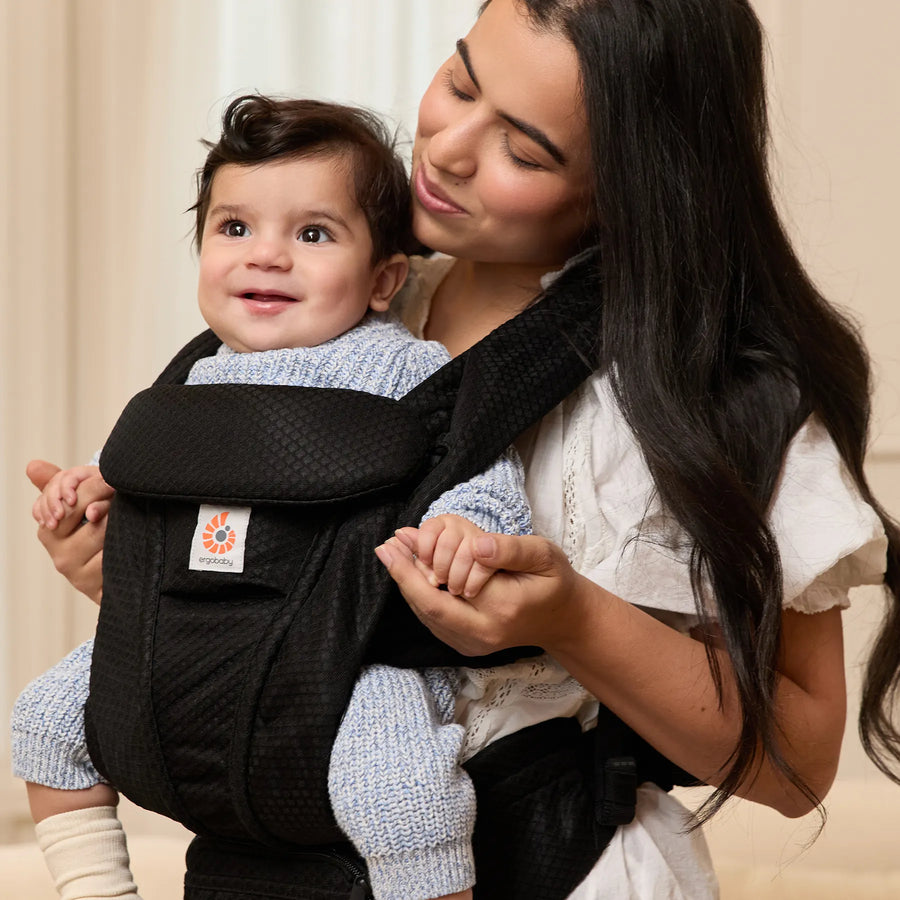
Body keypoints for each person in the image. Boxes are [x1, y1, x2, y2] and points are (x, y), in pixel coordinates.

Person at [25, 0, 900, 896]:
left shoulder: (713, 396)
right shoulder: (334, 306)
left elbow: (796, 764)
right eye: (459, 81)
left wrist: (570, 618)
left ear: (633, 181)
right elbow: (289, 602)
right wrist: (127, 567)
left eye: (524, 149)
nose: (444, 149)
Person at [13, 93, 539, 900]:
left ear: (383, 279)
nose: (266, 256)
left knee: (398, 789)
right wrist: (92, 484)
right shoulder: (196, 377)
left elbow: (477, 468)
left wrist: (467, 526)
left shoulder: (395, 367)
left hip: (349, 651)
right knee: (46, 720)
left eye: (313, 234)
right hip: (195, 639)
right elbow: (148, 464)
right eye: (234, 229)